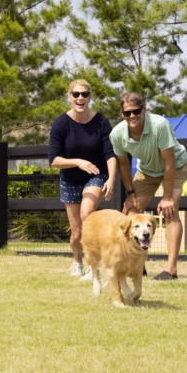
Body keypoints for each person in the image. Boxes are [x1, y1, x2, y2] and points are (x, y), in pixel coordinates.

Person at [109, 92, 187, 280]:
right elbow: (123, 164)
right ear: (122, 114)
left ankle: (171, 270)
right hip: (147, 170)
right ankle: (137, 265)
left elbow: (169, 161)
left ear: (144, 110)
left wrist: (167, 196)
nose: (132, 116)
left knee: (170, 211)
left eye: (136, 111)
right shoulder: (117, 134)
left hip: (176, 165)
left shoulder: (160, 126)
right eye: (127, 113)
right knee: (131, 214)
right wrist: (130, 194)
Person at [48, 79, 117, 279]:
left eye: (84, 94)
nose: (80, 98)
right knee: (77, 233)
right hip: (70, 179)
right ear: (69, 97)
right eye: (76, 94)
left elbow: (110, 154)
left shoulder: (101, 122)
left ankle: (92, 267)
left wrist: (111, 179)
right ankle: (77, 261)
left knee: (88, 214)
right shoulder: (61, 123)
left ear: (90, 97)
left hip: (96, 176)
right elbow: (53, 160)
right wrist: (78, 161)